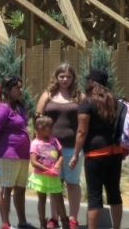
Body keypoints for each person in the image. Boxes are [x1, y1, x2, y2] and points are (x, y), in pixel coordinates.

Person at [69, 69, 123, 229]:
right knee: (114, 193)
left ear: (91, 82)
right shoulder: (115, 100)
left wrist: (75, 154)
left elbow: (82, 131)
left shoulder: (87, 102)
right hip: (115, 152)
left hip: (95, 154)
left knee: (94, 196)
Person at [36, 63, 83, 229]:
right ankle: (54, 217)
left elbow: (86, 122)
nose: (65, 79)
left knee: (72, 182)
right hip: (50, 148)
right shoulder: (47, 95)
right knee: (54, 183)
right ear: (56, 77)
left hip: (72, 147)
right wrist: (37, 143)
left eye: (68, 76)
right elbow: (38, 118)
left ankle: (73, 218)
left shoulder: (79, 97)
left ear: (73, 78)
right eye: (62, 76)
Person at [0, 75, 37, 229]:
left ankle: (22, 222)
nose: (21, 90)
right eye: (17, 87)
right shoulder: (2, 107)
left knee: (20, 189)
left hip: (22, 154)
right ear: (7, 89)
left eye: (21, 87)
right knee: (6, 188)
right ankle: (5, 224)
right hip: (7, 154)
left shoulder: (19, 107)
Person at [28, 116, 67, 229]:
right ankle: (42, 224)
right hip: (41, 176)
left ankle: (65, 223)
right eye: (49, 127)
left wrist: (57, 165)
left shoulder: (54, 141)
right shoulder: (35, 143)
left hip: (53, 176)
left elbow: (61, 156)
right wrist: (47, 170)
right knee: (42, 200)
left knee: (59, 199)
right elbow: (34, 162)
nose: (52, 129)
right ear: (41, 128)